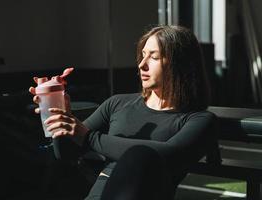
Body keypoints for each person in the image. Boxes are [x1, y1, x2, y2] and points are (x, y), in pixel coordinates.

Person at [29, 25, 219, 199]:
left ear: (180, 64)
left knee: (140, 156)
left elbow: (168, 156)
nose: (141, 64)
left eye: (153, 57)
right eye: (142, 55)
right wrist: (58, 113)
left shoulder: (199, 120)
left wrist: (89, 137)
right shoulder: (117, 104)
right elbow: (67, 153)